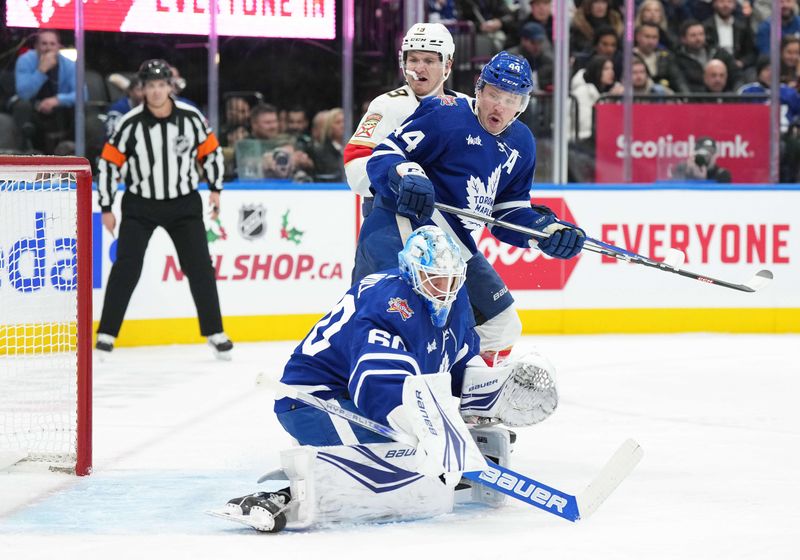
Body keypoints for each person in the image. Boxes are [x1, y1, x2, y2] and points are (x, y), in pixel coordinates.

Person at [219, 226, 560, 531]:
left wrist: (492, 388)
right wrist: (429, 434)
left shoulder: (455, 302)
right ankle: (285, 494)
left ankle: (428, 470)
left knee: (418, 441)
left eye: (452, 279)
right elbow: (377, 385)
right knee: (398, 446)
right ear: (412, 273)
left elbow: (456, 363)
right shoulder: (388, 303)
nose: (445, 289)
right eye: (435, 280)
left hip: (364, 394)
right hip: (312, 401)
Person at [355, 52, 586, 364]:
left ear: (522, 104)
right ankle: (379, 381)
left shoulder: (521, 143)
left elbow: (507, 213)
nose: (499, 106)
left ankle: (469, 396)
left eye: (511, 99)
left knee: (502, 326)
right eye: (493, 94)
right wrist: (407, 175)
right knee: (421, 326)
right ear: (479, 90)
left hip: (456, 249)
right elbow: (386, 153)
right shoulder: (445, 114)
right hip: (399, 232)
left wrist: (546, 230)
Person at [344, 24, 520, 365]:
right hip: (391, 231)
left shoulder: (465, 109)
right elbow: (356, 168)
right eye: (412, 59)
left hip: (447, 239)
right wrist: (404, 180)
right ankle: (358, 382)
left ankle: (469, 392)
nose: (419, 68)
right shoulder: (389, 105)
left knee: (494, 323)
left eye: (429, 60)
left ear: (448, 65)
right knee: (381, 321)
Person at [95, 59, 233, 359]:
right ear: (142, 89)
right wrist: (106, 205)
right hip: (140, 204)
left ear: (170, 86)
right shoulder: (129, 123)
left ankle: (215, 331)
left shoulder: (191, 117)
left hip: (183, 203)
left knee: (199, 268)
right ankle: (106, 334)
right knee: (126, 268)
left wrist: (215, 189)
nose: (156, 92)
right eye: (151, 86)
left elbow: (211, 153)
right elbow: (107, 165)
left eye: (161, 85)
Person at [11, 30, 83, 152]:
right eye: (44, 44)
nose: (48, 48)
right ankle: (23, 151)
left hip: (60, 110)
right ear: (36, 47)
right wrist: (41, 70)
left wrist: (57, 100)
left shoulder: (69, 65)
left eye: (52, 44)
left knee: (78, 108)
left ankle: (69, 149)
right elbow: (23, 93)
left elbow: (82, 95)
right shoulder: (25, 60)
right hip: (32, 108)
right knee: (21, 106)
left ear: (59, 47)